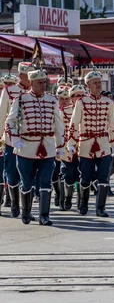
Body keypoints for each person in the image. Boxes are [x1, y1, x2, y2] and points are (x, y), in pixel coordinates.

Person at [6, 67, 64, 225]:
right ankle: (26, 212)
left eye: (45, 82)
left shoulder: (52, 100)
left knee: (46, 182)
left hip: (47, 147)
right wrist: (15, 140)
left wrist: (60, 146)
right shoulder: (21, 99)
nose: (43, 85)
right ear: (31, 83)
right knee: (26, 182)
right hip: (26, 148)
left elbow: (59, 126)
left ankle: (44, 215)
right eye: (40, 82)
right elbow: (10, 122)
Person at [68, 70, 114, 217]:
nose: (98, 85)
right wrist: (71, 142)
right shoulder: (81, 102)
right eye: (95, 82)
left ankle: (100, 208)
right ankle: (82, 204)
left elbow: (112, 125)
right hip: (86, 143)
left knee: (104, 176)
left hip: (103, 143)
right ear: (88, 85)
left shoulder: (108, 102)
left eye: (99, 82)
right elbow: (74, 123)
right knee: (85, 177)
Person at [0, 62, 34, 218]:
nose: (32, 77)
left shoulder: (37, 92)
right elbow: (1, 116)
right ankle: (14, 203)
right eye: (29, 74)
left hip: (32, 140)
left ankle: (27, 208)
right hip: (12, 139)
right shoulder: (9, 91)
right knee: (12, 173)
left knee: (29, 175)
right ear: (20, 75)